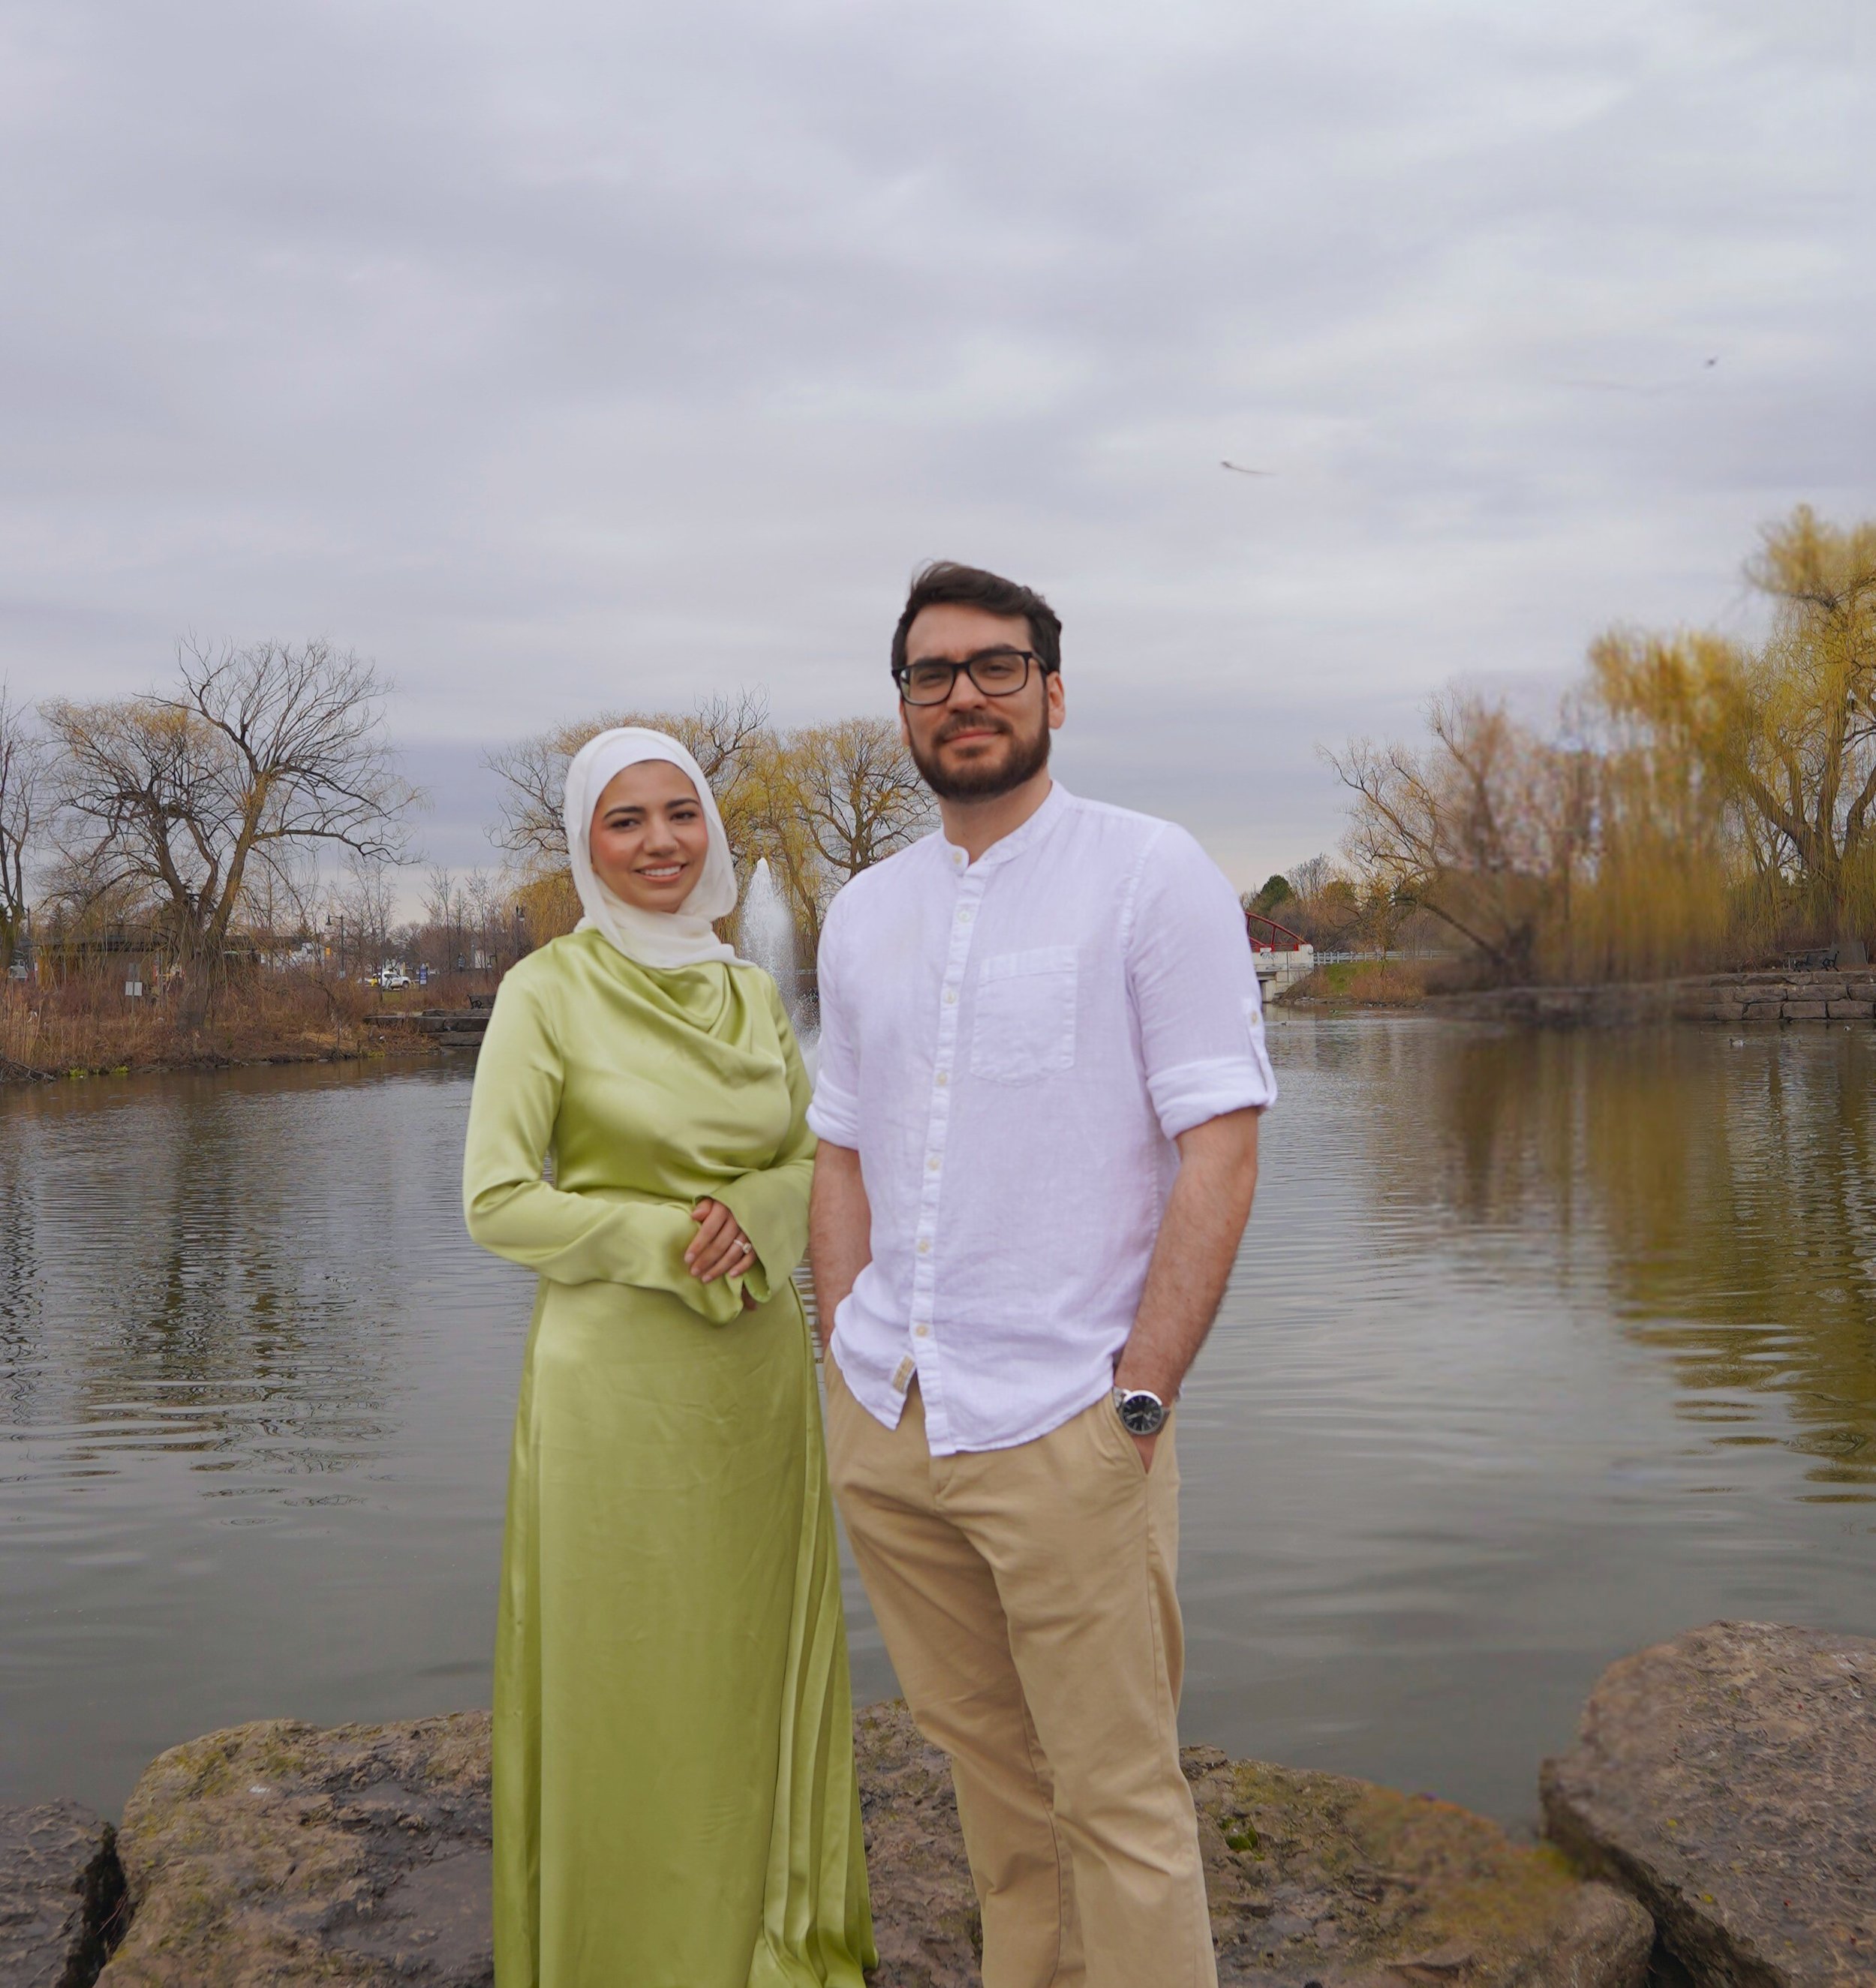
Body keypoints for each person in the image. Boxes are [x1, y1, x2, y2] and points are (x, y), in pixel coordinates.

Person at [808, 564, 1275, 1988]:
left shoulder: (1149, 874)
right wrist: (844, 1353)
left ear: (1052, 692)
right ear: (902, 707)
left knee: (1122, 1803)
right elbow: (838, 1152)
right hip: (896, 1424)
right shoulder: (863, 913)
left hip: (1071, 1424)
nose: (964, 695)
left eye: (996, 667)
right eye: (931, 673)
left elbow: (1223, 1146)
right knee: (996, 1797)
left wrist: (1141, 1394)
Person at [462, 726, 874, 1988]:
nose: (659, 843)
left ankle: (764, 1940)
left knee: (752, 1657)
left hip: (750, 1383)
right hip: (614, 1387)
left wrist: (753, 1219)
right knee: (625, 1670)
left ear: (711, 831)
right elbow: (493, 1201)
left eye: (679, 814)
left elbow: (820, 1154)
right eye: (625, 821)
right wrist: (662, 1240)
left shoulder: (748, 989)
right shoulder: (549, 990)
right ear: (587, 845)